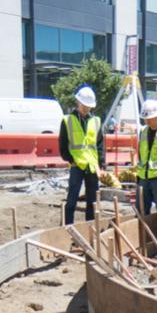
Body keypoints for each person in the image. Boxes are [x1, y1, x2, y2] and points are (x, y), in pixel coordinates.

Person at [59, 86, 104, 225]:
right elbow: (63, 144)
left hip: (92, 166)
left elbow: (100, 145)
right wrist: (70, 160)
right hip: (77, 165)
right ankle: (68, 229)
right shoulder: (68, 120)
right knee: (72, 199)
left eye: (89, 106)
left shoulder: (96, 121)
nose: (86, 109)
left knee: (92, 202)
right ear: (78, 102)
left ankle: (90, 229)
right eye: (84, 105)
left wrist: (101, 165)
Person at [136, 98, 157, 215]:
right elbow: (140, 153)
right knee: (141, 209)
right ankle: (142, 233)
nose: (147, 121)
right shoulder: (143, 131)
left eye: (149, 118)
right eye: (145, 118)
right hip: (143, 177)